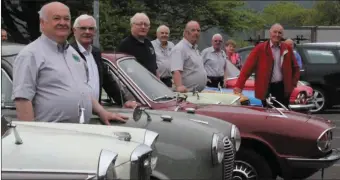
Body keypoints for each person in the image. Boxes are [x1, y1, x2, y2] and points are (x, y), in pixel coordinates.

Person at [12, 2, 128, 124]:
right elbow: (23, 99)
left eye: (66, 19)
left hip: (79, 132)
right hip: (49, 135)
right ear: (42, 23)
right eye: (56, 18)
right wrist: (31, 135)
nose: (62, 23)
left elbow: (83, 91)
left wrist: (102, 112)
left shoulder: (74, 54)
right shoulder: (30, 54)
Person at [70, 14, 137, 108]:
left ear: (95, 32)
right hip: (75, 110)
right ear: (74, 31)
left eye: (91, 28)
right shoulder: (69, 53)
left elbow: (107, 80)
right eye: (83, 28)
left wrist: (124, 101)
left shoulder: (96, 52)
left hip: (96, 111)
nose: (87, 31)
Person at [234, 23, 300, 108]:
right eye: (275, 32)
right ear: (270, 33)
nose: (277, 35)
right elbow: (247, 69)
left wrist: (292, 84)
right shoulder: (260, 49)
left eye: (279, 33)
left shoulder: (287, 48)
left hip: (283, 88)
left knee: (283, 115)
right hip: (266, 88)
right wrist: (239, 86)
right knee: (268, 116)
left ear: (282, 35)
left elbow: (296, 68)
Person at [117, 12, 159, 77]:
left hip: (151, 84)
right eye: (140, 24)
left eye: (146, 24)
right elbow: (122, 71)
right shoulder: (125, 45)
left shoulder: (149, 43)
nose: (143, 27)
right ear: (132, 25)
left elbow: (154, 67)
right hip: (135, 85)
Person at [170, 20, 207, 93]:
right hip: (186, 95)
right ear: (186, 33)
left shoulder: (195, 48)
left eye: (198, 30)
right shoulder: (179, 48)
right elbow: (176, 71)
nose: (196, 33)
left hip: (195, 93)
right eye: (193, 30)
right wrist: (179, 86)